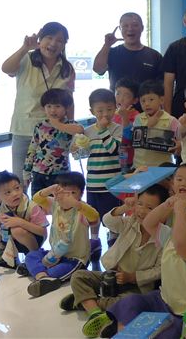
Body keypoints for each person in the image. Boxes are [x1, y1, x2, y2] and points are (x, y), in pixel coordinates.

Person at [88, 194, 186, 338]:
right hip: (163, 299)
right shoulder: (170, 237)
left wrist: (180, 210)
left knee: (169, 333)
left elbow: (180, 243)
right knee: (133, 301)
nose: (185, 210)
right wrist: (167, 204)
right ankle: (120, 325)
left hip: (185, 313)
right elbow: (149, 223)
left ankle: (128, 328)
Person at [66, 185, 167, 337]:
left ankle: (86, 301)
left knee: (131, 302)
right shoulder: (130, 222)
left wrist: (133, 277)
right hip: (112, 277)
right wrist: (124, 208)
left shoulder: (163, 237)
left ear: (162, 212)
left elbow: (160, 270)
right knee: (78, 276)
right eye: (140, 204)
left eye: (150, 208)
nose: (142, 211)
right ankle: (95, 312)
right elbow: (107, 221)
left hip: (136, 287)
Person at [2, 22, 75, 183]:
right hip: (24, 130)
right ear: (40, 39)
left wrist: (71, 130)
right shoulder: (26, 59)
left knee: (58, 183)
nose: (53, 43)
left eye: (59, 40)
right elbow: (6, 69)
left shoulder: (67, 68)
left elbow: (69, 102)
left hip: (55, 132)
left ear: (64, 45)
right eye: (49, 37)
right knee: (19, 182)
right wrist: (24, 48)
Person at [20, 172, 98, 298]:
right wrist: (49, 190)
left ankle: (39, 273)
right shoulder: (55, 204)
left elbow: (95, 217)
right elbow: (36, 199)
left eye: (72, 193)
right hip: (55, 254)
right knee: (31, 255)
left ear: (81, 194)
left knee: (54, 271)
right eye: (62, 192)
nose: (66, 197)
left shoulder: (82, 209)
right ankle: (42, 276)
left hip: (75, 259)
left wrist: (77, 204)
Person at [72, 88, 123, 252]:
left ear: (115, 108)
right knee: (92, 214)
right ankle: (94, 239)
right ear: (92, 111)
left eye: (109, 109)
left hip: (113, 183)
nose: (105, 114)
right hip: (93, 182)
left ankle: (114, 237)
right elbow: (83, 154)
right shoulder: (87, 131)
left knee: (112, 214)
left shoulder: (117, 129)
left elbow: (113, 149)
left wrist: (102, 130)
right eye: (100, 111)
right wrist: (76, 149)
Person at [0, 171, 48, 268]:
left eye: (17, 188)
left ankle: (34, 257)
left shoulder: (32, 207)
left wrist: (20, 222)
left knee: (17, 230)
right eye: (8, 192)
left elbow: (43, 232)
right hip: (10, 240)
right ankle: (4, 254)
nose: (15, 194)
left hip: (33, 241)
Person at [23, 88, 84, 195]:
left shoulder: (70, 124)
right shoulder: (40, 126)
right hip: (38, 173)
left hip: (61, 174)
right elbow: (32, 149)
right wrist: (26, 173)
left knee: (59, 201)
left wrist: (57, 124)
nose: (52, 110)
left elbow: (80, 130)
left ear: (66, 108)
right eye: (49, 106)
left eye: (57, 106)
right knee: (38, 201)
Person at [92, 12, 162, 90]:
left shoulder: (155, 56)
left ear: (142, 28)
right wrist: (107, 45)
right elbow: (98, 69)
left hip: (146, 98)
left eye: (135, 25)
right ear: (120, 29)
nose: (130, 29)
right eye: (125, 26)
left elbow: (162, 84)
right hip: (118, 98)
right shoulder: (112, 52)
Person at [131, 80, 179, 167]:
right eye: (143, 101)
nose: (147, 104)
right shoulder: (138, 118)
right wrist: (148, 126)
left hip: (163, 169)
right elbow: (135, 140)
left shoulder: (171, 120)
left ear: (161, 100)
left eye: (151, 99)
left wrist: (179, 145)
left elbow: (180, 139)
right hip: (140, 166)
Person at [113, 78, 140, 174]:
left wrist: (125, 117)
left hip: (128, 160)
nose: (121, 99)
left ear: (135, 100)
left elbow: (129, 137)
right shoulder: (111, 114)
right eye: (118, 93)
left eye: (126, 95)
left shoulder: (137, 116)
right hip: (112, 159)